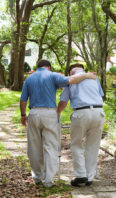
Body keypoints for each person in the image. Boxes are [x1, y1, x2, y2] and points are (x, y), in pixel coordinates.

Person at [20, 59, 96, 187]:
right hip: (49, 113)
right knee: (50, 146)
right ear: (48, 67)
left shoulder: (29, 79)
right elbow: (72, 80)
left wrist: (23, 115)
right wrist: (88, 75)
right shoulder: (52, 75)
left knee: (34, 147)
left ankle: (37, 177)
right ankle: (48, 181)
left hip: (33, 113)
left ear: (38, 67)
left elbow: (23, 100)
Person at [57, 63, 105, 187]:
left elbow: (63, 102)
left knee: (76, 144)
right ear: (82, 70)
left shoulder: (71, 81)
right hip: (98, 112)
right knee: (93, 146)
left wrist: (56, 114)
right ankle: (89, 177)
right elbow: (100, 96)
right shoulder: (94, 78)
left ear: (70, 73)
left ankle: (80, 175)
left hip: (81, 113)